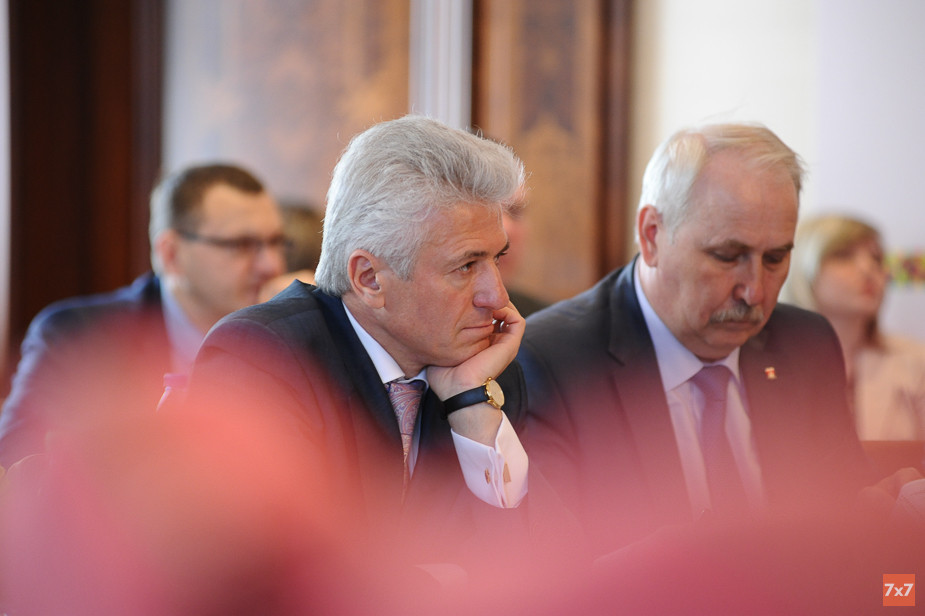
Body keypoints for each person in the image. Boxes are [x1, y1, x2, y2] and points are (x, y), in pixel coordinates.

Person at [174, 115, 539, 587]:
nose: (496, 296)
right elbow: (276, 580)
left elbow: (538, 568)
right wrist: (447, 584)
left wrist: (470, 402)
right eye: (466, 266)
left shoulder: (486, 370)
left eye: (497, 258)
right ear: (369, 279)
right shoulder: (261, 357)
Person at [515, 123, 884, 555]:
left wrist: (881, 510)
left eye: (775, 258)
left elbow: (844, 508)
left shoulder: (805, 345)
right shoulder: (552, 362)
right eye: (727, 256)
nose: (754, 291)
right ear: (652, 235)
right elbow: (557, 568)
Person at [0, 163, 286, 468]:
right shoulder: (77, 336)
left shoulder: (288, 335)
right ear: (171, 254)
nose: (272, 265)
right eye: (242, 245)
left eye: (276, 242)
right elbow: (14, 460)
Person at [781, 214, 925, 440]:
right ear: (803, 266)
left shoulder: (916, 361)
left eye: (877, 258)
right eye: (844, 255)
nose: (868, 269)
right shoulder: (763, 363)